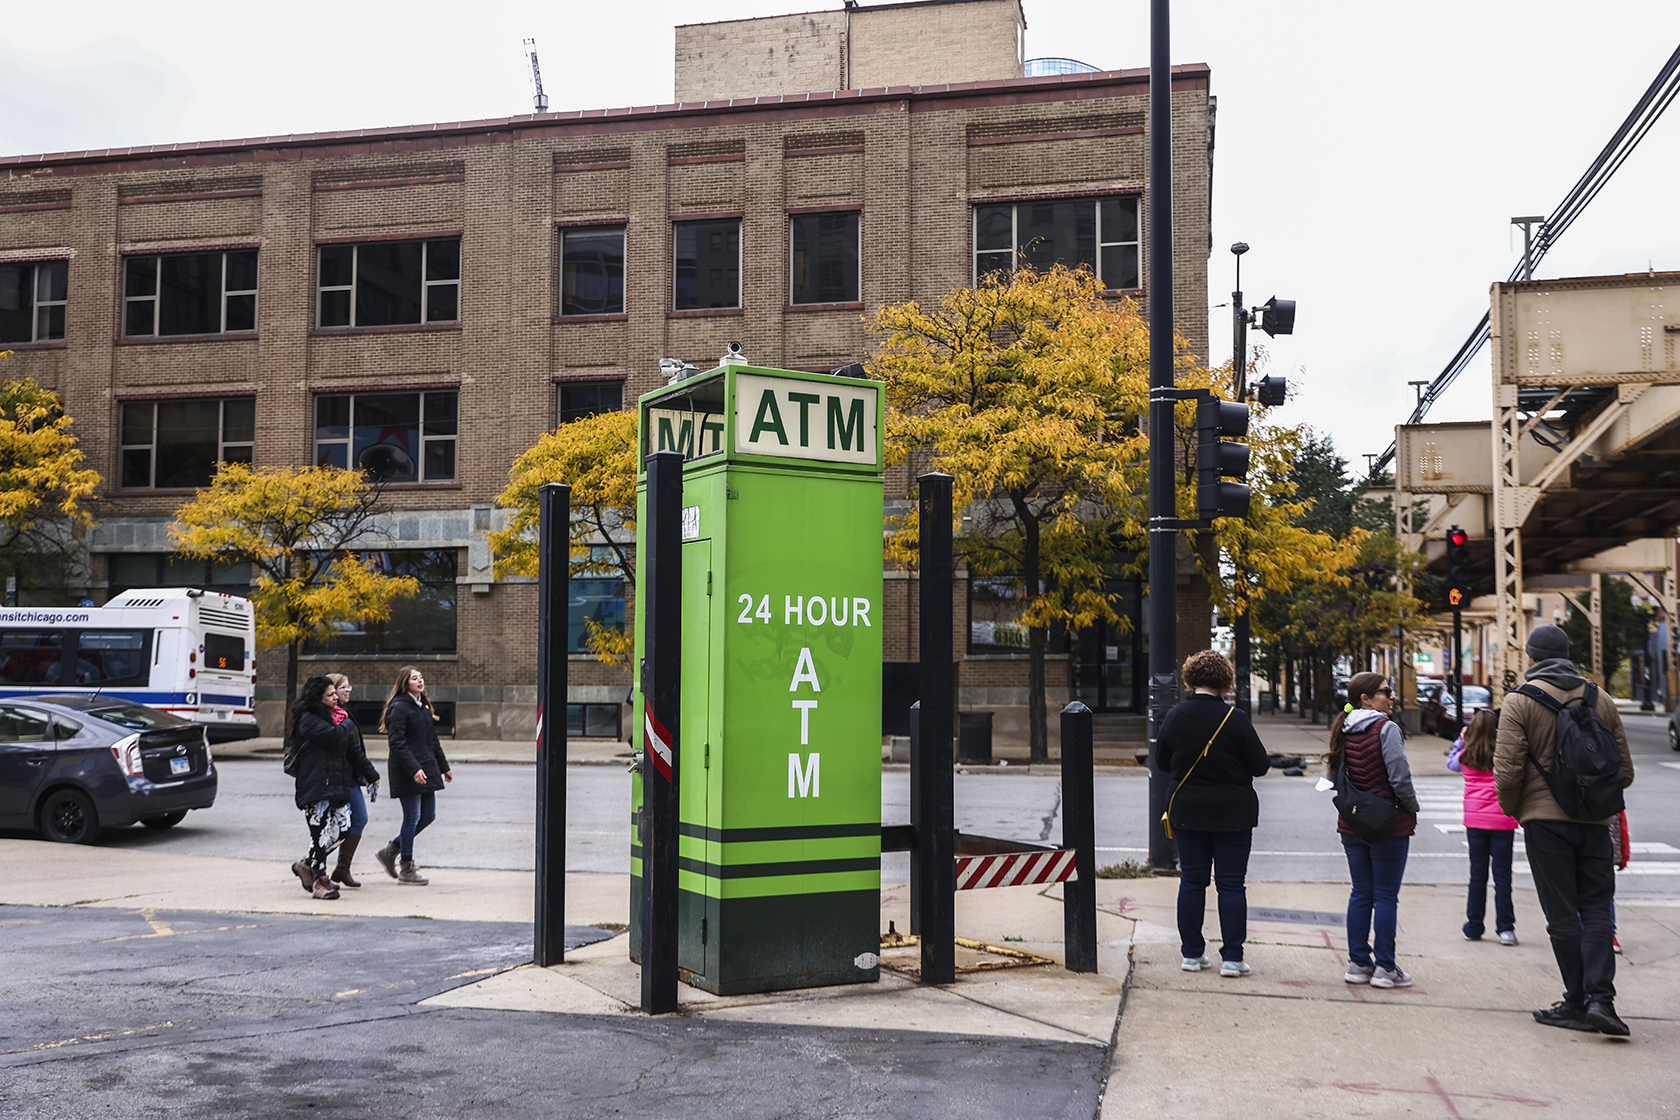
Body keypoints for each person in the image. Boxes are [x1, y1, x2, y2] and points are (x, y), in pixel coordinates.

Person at [1496, 623, 1635, 1036]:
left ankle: (1575, 1002)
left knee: (1562, 914)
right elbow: (1623, 771)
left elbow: (1507, 773)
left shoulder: (1519, 702)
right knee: (1596, 909)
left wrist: (1517, 810)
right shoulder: (1600, 698)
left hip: (1544, 822)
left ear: (1532, 658)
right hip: (1594, 821)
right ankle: (1601, 1001)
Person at [1157, 650, 1270, 977]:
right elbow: (1260, 766)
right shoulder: (1235, 719)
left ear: (1190, 679)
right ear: (1226, 681)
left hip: (1188, 811)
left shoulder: (1174, 716)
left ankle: (1192, 954)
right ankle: (1232, 958)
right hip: (1233, 814)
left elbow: (1163, 763)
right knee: (1232, 886)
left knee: (1192, 882)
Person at [1329, 671, 1419, 989]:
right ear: (1366, 698)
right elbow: (1399, 777)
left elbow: (1334, 776)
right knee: (1385, 896)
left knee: (1361, 893)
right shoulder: (1386, 728)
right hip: (1387, 823)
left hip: (1352, 822)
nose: (1392, 696)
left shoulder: (1343, 727)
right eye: (1386, 691)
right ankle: (1385, 968)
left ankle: (1358, 963)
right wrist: (1413, 807)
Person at [374, 666, 452, 886]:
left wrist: (444, 767)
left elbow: (432, 740)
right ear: (404, 683)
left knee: (428, 816)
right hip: (408, 770)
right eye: (414, 678)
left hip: (426, 768)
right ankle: (406, 867)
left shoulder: (423, 706)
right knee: (412, 817)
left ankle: (391, 851)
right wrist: (414, 769)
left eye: (421, 677)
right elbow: (397, 744)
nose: (420, 681)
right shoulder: (399, 707)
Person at [1449, 708, 1519, 945]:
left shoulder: (1466, 755)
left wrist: (1461, 740)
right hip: (1502, 821)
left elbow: (1451, 764)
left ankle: (1474, 925)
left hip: (1475, 822)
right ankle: (1506, 928)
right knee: (1503, 876)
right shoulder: (1503, 754)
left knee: (1477, 874)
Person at [287, 675, 359, 900]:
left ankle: (307, 864)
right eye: (330, 695)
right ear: (318, 698)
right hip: (315, 786)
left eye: (334, 693)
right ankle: (319, 880)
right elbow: (334, 737)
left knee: (344, 828)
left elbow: (348, 750)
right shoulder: (308, 719)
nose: (335, 697)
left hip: (335, 783)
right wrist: (349, 721)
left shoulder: (333, 716)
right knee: (320, 834)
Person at [325, 673, 379, 889]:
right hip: (335, 780)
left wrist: (371, 774)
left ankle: (342, 867)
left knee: (359, 819)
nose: (348, 691)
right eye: (343, 687)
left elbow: (356, 751)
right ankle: (310, 864)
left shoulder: (345, 714)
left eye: (349, 687)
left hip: (351, 778)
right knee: (336, 826)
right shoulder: (328, 717)